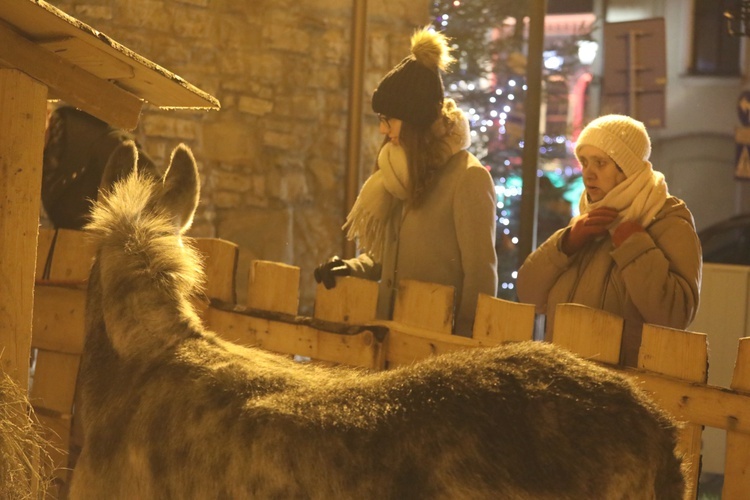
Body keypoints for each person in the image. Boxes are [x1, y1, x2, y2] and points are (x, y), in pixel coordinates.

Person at [314, 27, 498, 336]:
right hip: (391, 336)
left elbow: (481, 277)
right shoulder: (401, 171)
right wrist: (352, 268)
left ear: (413, 120)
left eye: (388, 120)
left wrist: (464, 349)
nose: (382, 131)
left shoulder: (468, 177)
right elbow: (387, 257)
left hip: (436, 345)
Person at [516, 114, 702, 366]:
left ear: (627, 169)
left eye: (600, 163)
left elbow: (675, 315)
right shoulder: (586, 222)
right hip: (562, 381)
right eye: (584, 162)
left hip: (625, 389)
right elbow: (528, 294)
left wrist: (634, 245)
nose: (588, 174)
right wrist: (567, 243)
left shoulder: (667, 222)